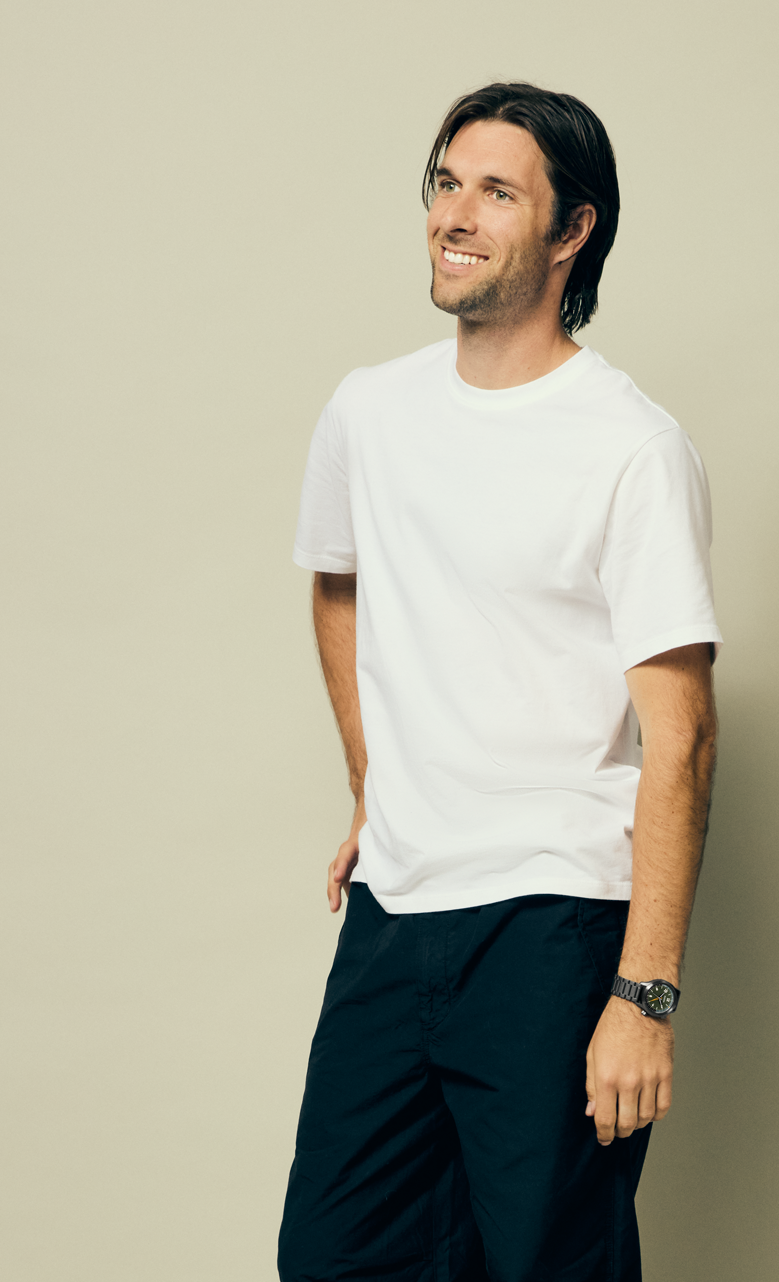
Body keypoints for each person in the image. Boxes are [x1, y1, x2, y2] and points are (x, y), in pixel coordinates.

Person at [278, 81, 721, 1282]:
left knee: (545, 1261)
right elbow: (337, 583)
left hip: (554, 923)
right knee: (333, 1256)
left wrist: (645, 996)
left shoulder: (630, 447)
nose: (454, 215)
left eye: (496, 192)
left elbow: (680, 737)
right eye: (444, 182)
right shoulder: (369, 409)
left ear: (571, 229)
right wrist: (373, 782)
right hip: (394, 912)